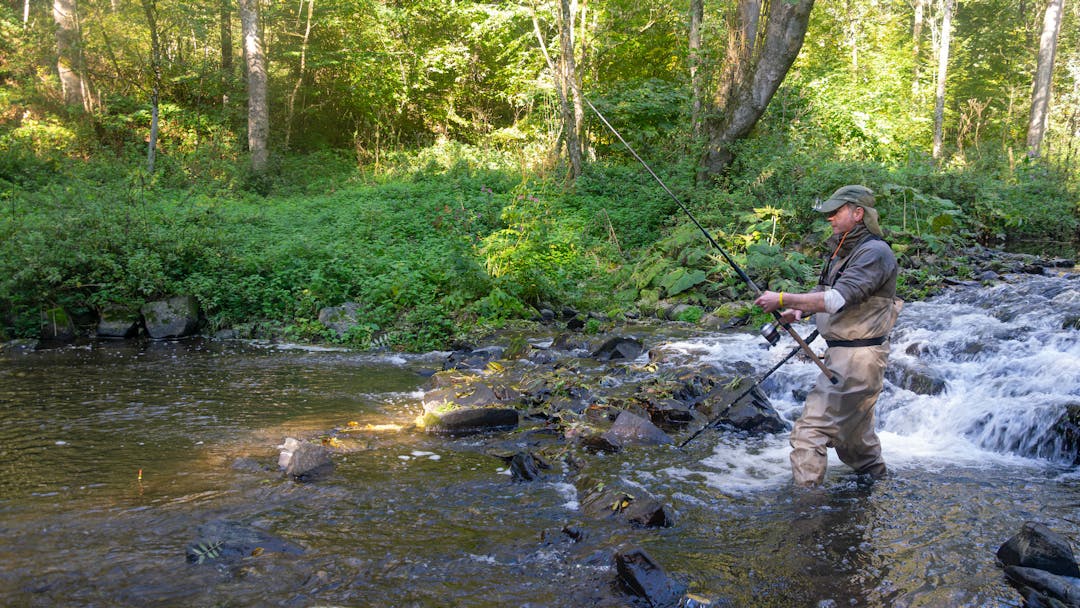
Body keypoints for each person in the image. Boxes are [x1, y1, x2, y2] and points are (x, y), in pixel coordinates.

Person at [753, 185, 902, 487]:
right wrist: (800, 312)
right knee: (855, 443)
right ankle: (880, 489)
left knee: (809, 434)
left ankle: (807, 516)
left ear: (857, 213)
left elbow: (836, 300)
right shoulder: (844, 248)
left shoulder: (874, 252)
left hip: (857, 360)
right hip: (849, 356)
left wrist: (783, 299)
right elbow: (825, 293)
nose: (830, 218)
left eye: (836, 212)